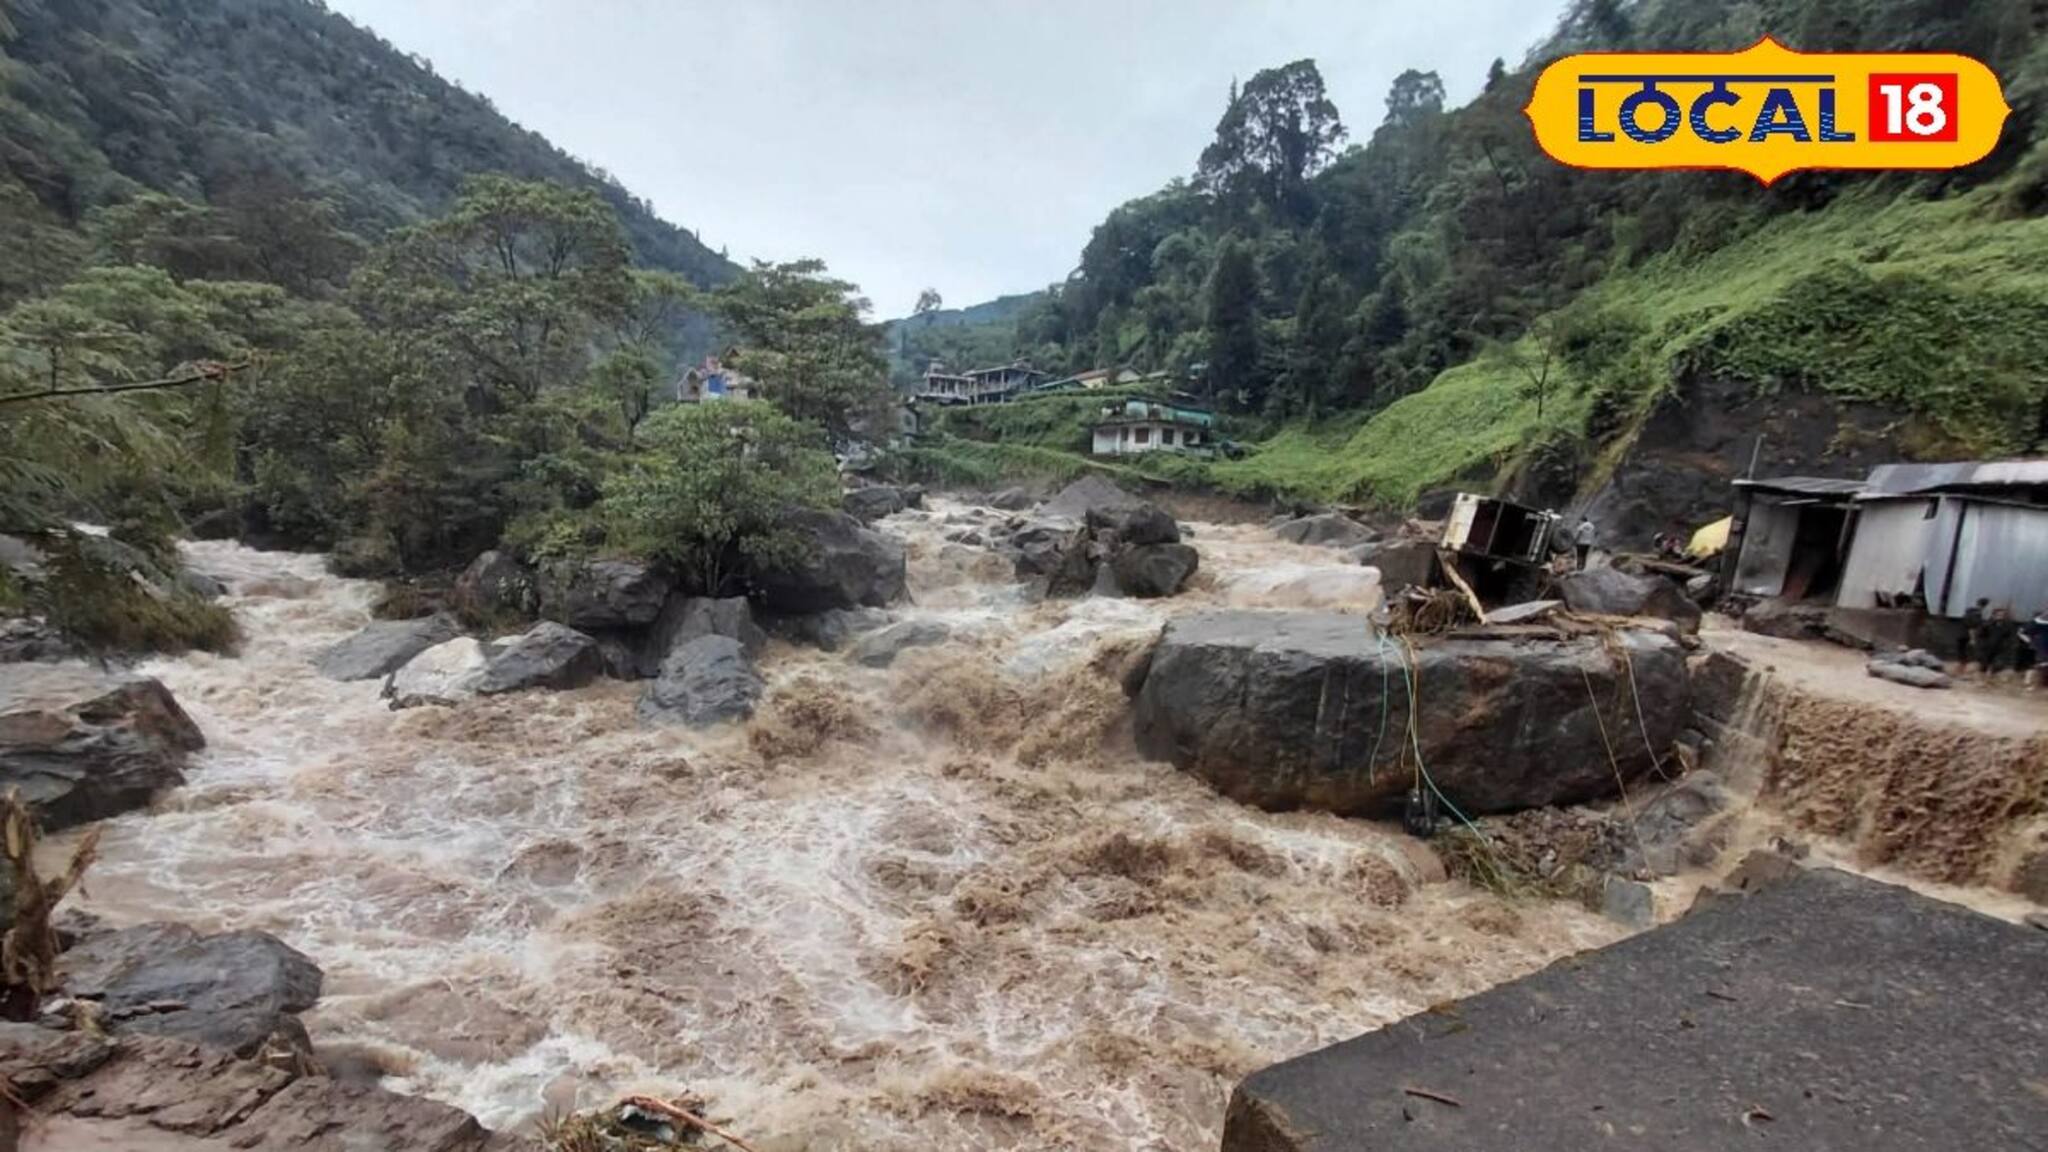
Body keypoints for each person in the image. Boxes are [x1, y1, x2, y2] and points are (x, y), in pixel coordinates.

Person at [2022, 611, 2048, 691]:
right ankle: (2033, 684)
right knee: (2039, 665)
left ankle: (2035, 684)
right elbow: (2022, 632)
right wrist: (2031, 641)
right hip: (2039, 647)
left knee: (2042, 665)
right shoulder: (2037, 623)